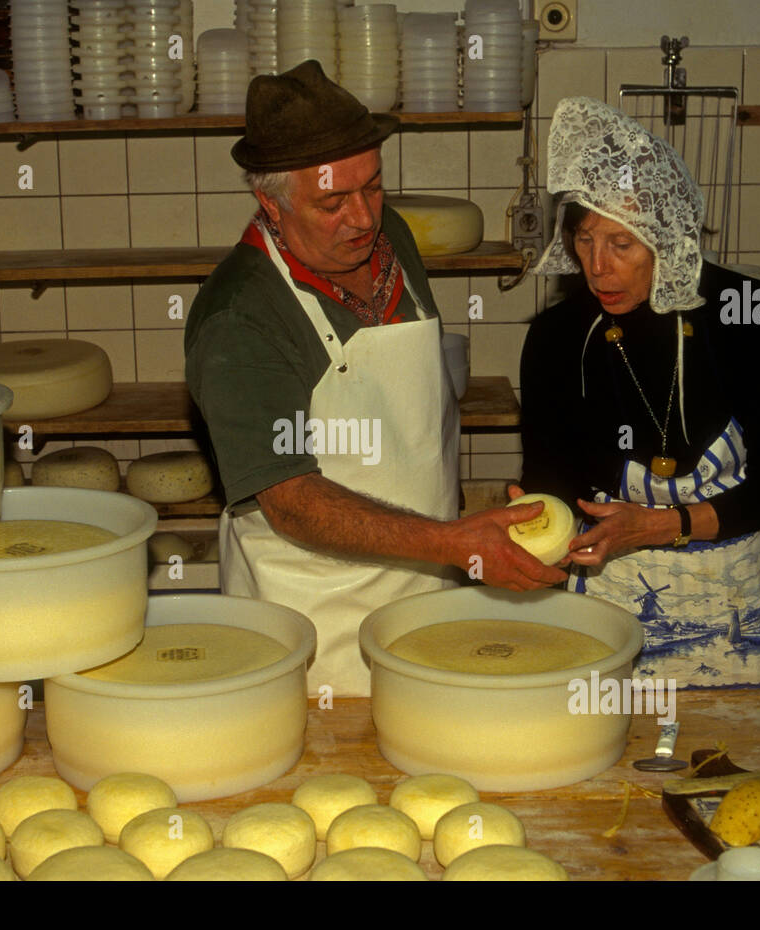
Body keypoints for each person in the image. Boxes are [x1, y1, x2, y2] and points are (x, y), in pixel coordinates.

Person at [185, 60, 558, 697]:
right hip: (316, 631)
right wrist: (451, 540)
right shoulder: (241, 316)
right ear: (269, 202)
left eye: (373, 186)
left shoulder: (394, 240)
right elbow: (292, 502)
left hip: (424, 595)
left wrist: (462, 535)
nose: (362, 218)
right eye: (332, 201)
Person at [518, 96, 760, 691]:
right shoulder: (558, 339)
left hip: (750, 620)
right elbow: (551, 477)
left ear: (668, 235)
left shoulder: (748, 317)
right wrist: (536, 520)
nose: (597, 268)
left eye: (622, 245)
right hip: (614, 619)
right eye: (584, 240)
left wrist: (663, 525)